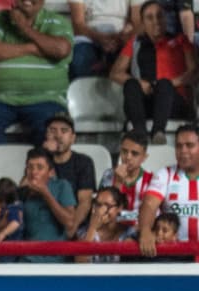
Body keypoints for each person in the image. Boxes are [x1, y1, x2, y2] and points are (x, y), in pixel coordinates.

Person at [0, 0, 73, 147]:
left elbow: (61, 50)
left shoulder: (57, 21)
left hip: (46, 99)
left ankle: (42, 169)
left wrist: (24, 28)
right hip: (0, 99)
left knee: (53, 131)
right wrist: (33, 48)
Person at [110, 1, 198, 145]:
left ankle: (158, 132)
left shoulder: (181, 40)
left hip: (174, 102)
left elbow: (194, 72)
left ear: (165, 19)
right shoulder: (135, 42)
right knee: (131, 84)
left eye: (159, 16)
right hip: (147, 101)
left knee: (164, 84)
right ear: (143, 23)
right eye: (150, 18)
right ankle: (140, 133)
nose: (156, 21)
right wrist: (140, 83)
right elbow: (115, 73)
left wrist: (169, 83)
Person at [137, 123, 199, 255]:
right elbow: (149, 205)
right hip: (174, 256)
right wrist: (146, 231)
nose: (183, 150)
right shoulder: (165, 174)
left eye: (189, 145)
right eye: (178, 146)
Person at [43, 113, 97, 235]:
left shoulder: (84, 162)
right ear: (46, 136)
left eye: (64, 131)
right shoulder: (41, 160)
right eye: (52, 130)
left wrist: (71, 228)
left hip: (74, 225)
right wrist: (44, 154)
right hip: (45, 222)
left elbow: (85, 202)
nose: (58, 135)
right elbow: (25, 187)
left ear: (73, 137)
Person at [20, 146, 77, 260]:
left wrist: (46, 194)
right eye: (30, 167)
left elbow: (70, 222)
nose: (34, 172)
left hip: (55, 258)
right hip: (27, 258)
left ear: (51, 172)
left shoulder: (61, 186)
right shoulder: (22, 192)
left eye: (39, 167)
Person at [99, 129, 153, 224]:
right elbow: (102, 213)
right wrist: (118, 183)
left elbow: (150, 216)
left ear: (144, 157)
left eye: (134, 153)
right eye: (124, 151)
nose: (128, 157)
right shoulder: (108, 175)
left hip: (137, 232)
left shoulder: (151, 180)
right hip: (111, 231)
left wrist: (121, 216)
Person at [69, 0, 133, 79]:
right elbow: (78, 24)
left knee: (133, 58)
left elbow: (136, 21)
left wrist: (120, 38)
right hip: (88, 36)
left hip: (121, 37)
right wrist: (101, 38)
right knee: (80, 59)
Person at [77, 186, 132, 262]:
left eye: (107, 206)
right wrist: (92, 228)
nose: (101, 211)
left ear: (120, 208)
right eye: (98, 205)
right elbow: (80, 262)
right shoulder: (84, 232)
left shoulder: (128, 233)